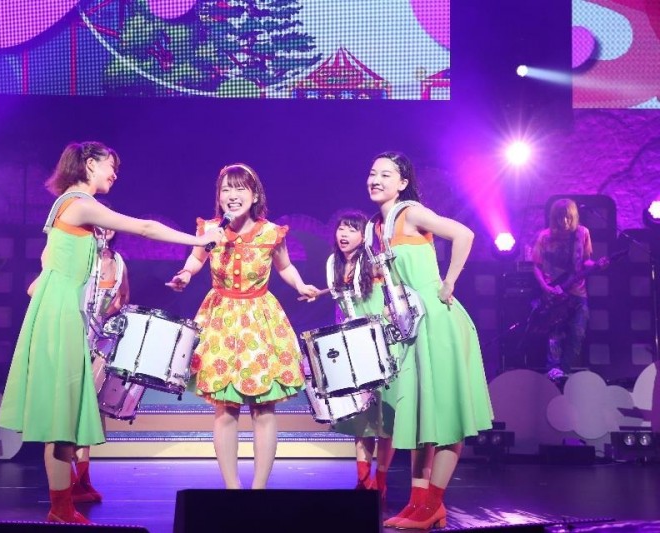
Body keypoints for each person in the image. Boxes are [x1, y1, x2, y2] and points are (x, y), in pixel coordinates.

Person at [0, 141, 224, 524]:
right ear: (89, 164)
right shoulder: (78, 202)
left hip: (61, 312)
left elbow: (40, 279)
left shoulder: (69, 208)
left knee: (62, 417)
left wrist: (55, 290)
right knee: (60, 418)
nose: (114, 173)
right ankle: (60, 509)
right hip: (63, 315)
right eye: (110, 165)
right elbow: (145, 228)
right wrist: (199, 240)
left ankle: (63, 505)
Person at [166, 163, 320, 490]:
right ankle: (232, 490)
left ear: (255, 195)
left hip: (259, 320)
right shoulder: (210, 229)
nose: (232, 195)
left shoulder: (271, 233)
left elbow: (285, 267)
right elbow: (196, 259)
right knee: (225, 408)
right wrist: (185, 274)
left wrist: (300, 285)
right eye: (226, 189)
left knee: (263, 408)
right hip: (221, 319)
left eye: (240, 189)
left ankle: (259, 489)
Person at [362, 152, 493, 530]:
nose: (376, 180)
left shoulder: (411, 212)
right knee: (423, 417)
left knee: (447, 416)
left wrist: (449, 281)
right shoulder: (377, 226)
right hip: (411, 326)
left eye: (386, 174)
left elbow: (464, 234)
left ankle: (433, 503)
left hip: (437, 321)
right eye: (372, 173)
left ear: (403, 183)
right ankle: (419, 503)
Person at [326, 210, 397, 501]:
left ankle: (381, 481)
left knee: (385, 421)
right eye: (340, 229)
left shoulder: (373, 262)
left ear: (364, 235)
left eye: (351, 229)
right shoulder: (334, 264)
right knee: (362, 419)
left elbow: (394, 292)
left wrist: (387, 316)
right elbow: (341, 307)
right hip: (353, 345)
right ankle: (363, 481)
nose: (343, 234)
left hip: (381, 342)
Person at [73, 226, 130, 503]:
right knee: (70, 410)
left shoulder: (118, 262)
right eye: (98, 225)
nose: (103, 230)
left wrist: (107, 313)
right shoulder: (79, 257)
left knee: (89, 410)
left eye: (108, 225)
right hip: (71, 336)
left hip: (97, 341)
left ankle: (83, 480)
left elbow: (123, 297)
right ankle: (66, 480)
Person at [531, 198, 597, 382]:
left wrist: (597, 265)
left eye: (568, 217)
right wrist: (545, 287)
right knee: (555, 334)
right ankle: (553, 373)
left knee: (578, 332)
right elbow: (536, 265)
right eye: (560, 217)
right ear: (554, 218)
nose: (565, 221)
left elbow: (586, 261)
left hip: (578, 293)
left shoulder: (582, 233)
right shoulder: (544, 237)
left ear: (574, 216)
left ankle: (564, 371)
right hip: (554, 293)